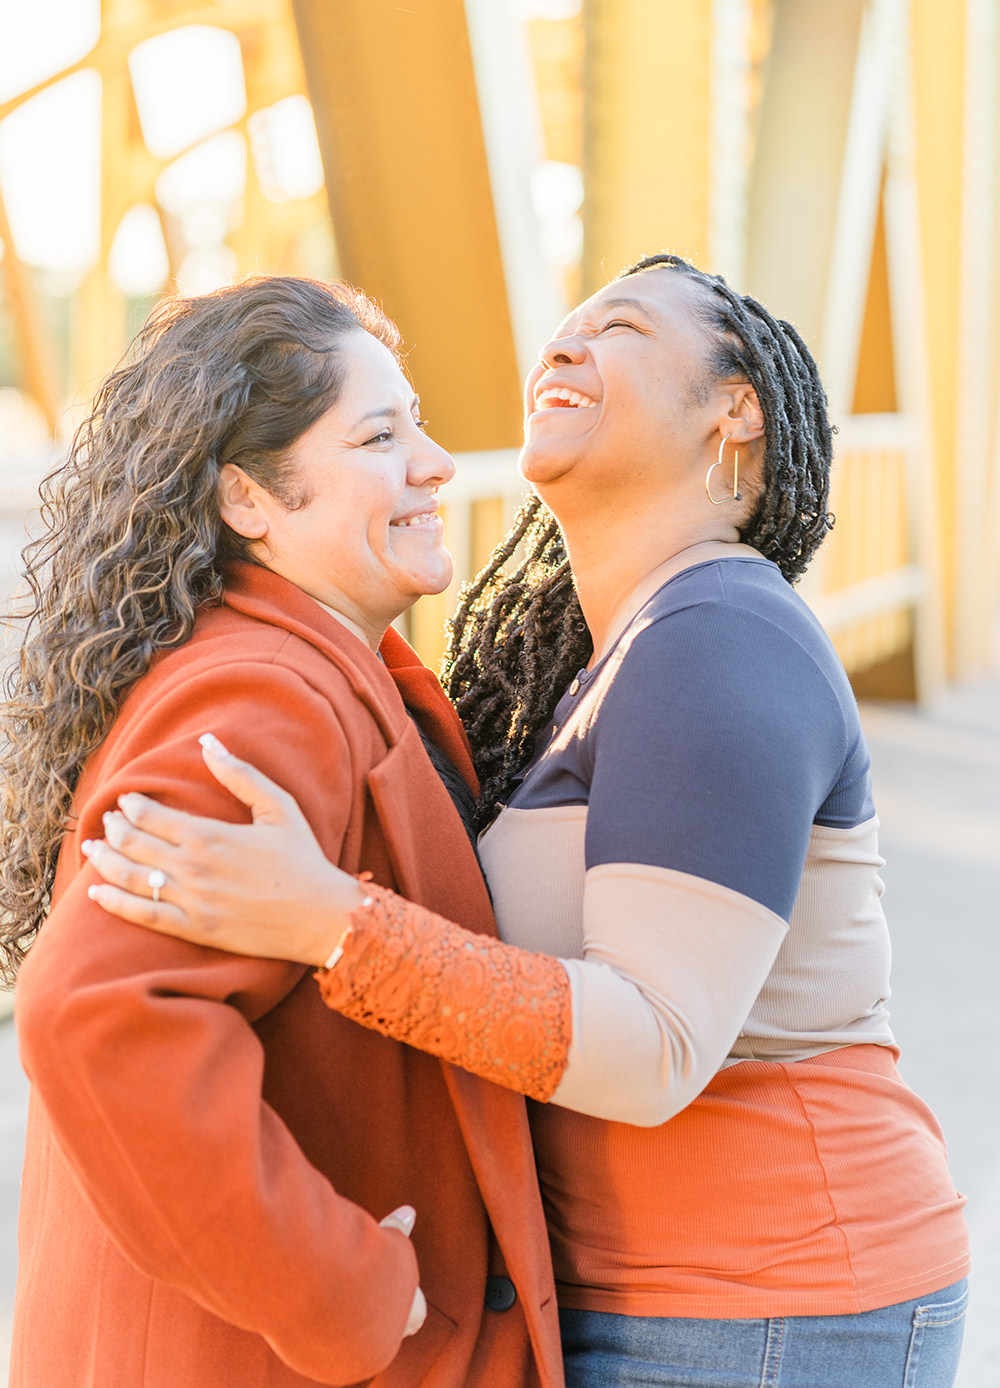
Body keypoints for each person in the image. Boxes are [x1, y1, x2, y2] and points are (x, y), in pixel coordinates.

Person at [84, 255, 970, 1388]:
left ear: (733, 410)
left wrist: (333, 925)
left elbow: (654, 1049)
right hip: (657, 1301)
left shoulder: (718, 635)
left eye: (622, 328)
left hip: (770, 1306)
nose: (563, 342)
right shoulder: (620, 657)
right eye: (564, 324)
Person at [0, 276, 563, 1388]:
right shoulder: (265, 699)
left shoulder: (291, 669)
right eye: (379, 436)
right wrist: (348, 1289)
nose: (437, 465)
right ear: (249, 500)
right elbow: (97, 1015)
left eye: (424, 427)